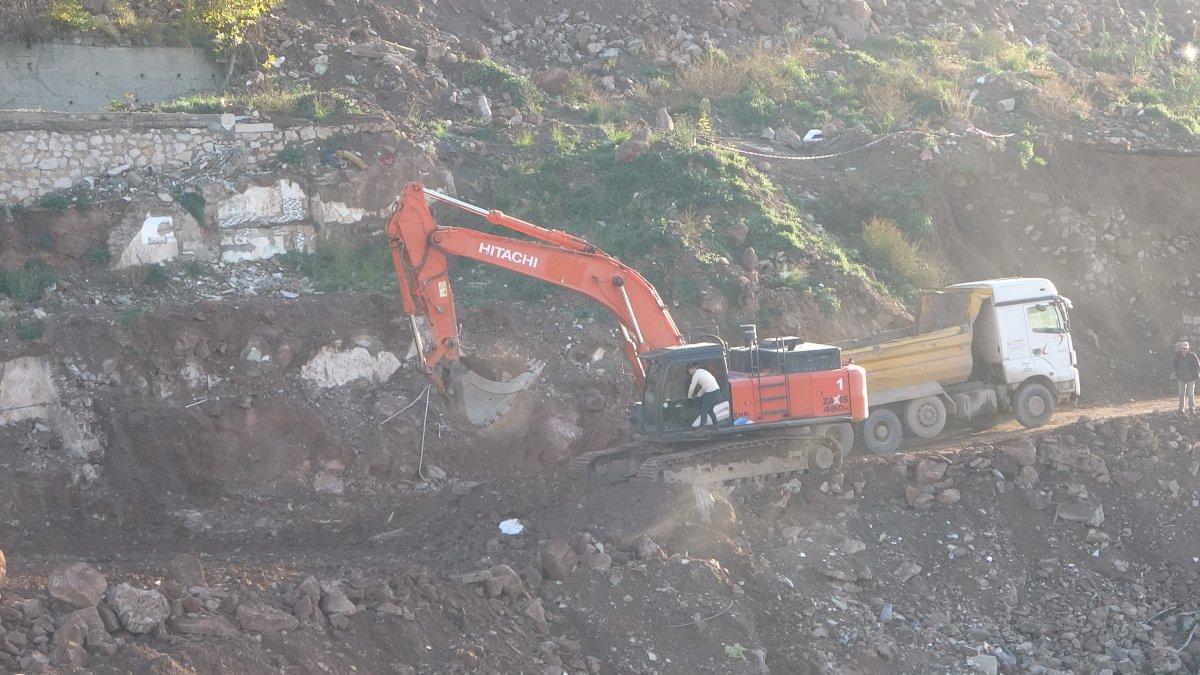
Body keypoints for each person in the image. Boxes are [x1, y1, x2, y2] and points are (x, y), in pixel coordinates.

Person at [687, 362, 723, 427]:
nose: (690, 373)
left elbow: (692, 386)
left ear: (694, 369)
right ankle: (716, 425)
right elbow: (704, 387)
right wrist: (698, 395)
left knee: (703, 409)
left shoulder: (696, 375)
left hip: (711, 392)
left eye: (690, 371)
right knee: (709, 410)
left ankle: (702, 428)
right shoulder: (703, 371)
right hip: (717, 391)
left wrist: (689, 396)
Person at [1172, 341, 1200, 412]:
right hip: (1181, 378)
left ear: (1188, 349)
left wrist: (1194, 374)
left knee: (1190, 394)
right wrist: (1177, 373)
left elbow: (1197, 365)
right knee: (1181, 394)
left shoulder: (1192, 355)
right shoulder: (1178, 355)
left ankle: (1191, 408)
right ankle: (1181, 409)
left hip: (1191, 378)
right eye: (1182, 348)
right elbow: (1174, 365)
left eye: (1184, 348)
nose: (1183, 350)